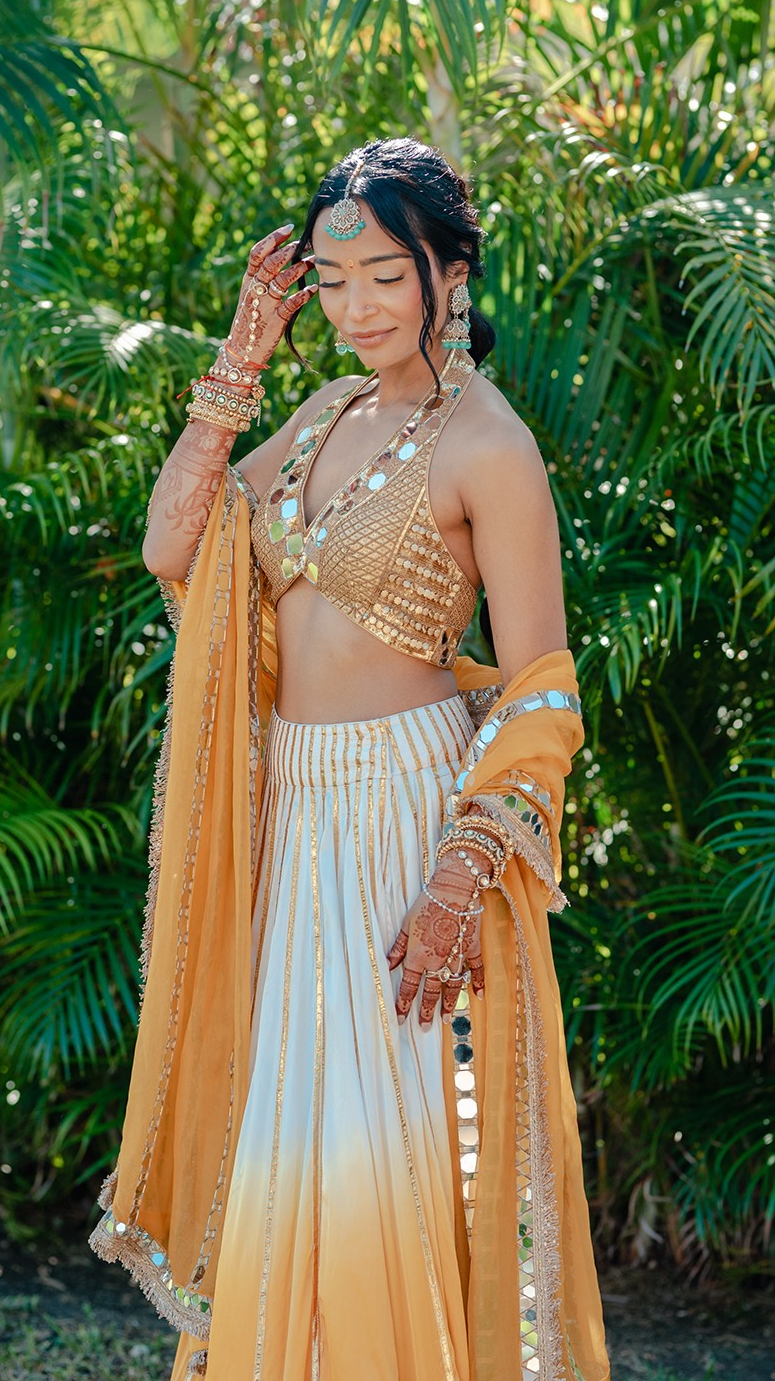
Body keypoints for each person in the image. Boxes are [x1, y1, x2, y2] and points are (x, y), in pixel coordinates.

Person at [89, 137, 610, 1380]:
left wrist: (454, 882)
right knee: (281, 1134)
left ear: (447, 273)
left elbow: (540, 685)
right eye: (330, 280)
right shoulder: (323, 410)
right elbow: (178, 549)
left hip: (406, 822)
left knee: (386, 1145)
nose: (357, 307)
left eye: (384, 275)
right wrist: (241, 360)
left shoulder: (489, 443)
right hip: (289, 817)